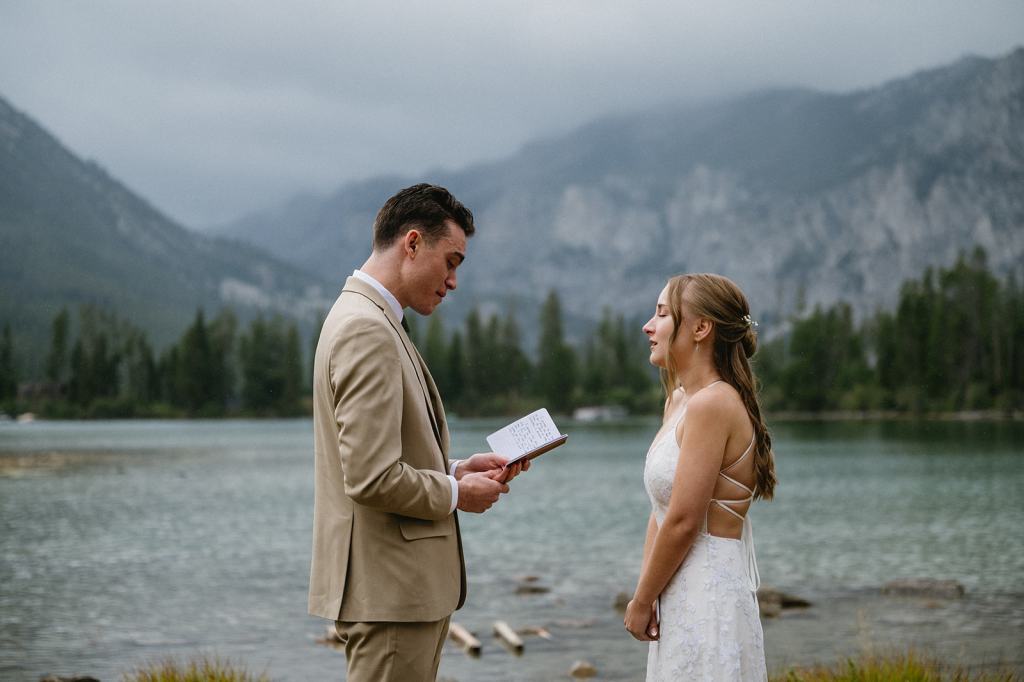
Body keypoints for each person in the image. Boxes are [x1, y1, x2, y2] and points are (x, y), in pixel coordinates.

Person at [308, 183, 527, 681]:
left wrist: (457, 468)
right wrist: (456, 493)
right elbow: (370, 476)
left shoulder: (371, 319)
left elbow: (379, 455)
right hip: (390, 593)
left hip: (395, 593)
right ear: (411, 243)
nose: (453, 281)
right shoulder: (367, 329)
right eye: (450, 262)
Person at [625, 273, 776, 681]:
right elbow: (661, 511)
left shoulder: (714, 404)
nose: (648, 326)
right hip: (676, 588)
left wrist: (639, 601)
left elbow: (685, 520)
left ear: (701, 328)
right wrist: (650, 591)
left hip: (709, 590)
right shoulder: (679, 400)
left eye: (660, 314)